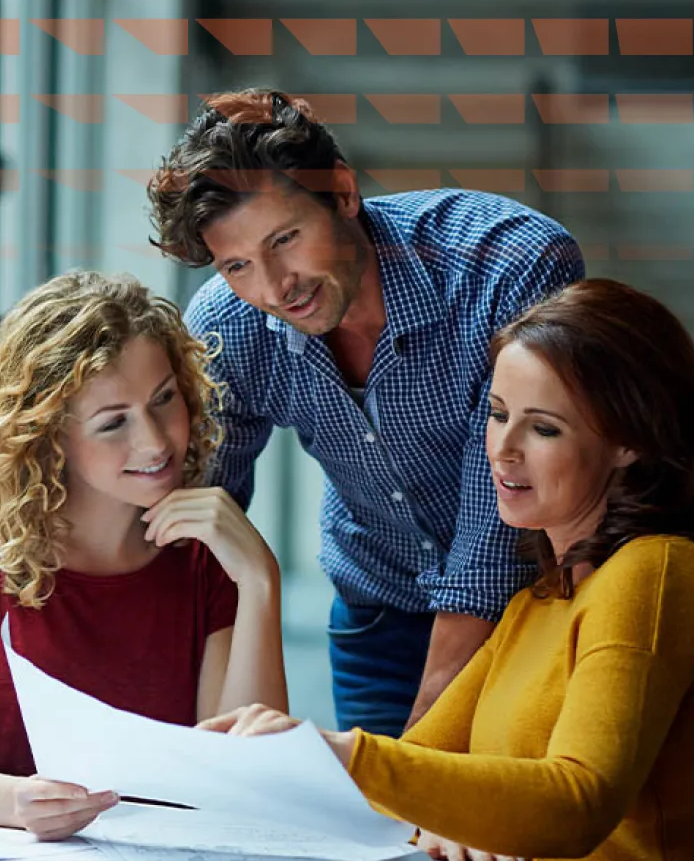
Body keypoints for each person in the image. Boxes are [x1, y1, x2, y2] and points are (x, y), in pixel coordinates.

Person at [199, 278, 694, 861]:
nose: (502, 448)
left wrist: (336, 752)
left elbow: (578, 804)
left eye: (544, 428)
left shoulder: (653, 569)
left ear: (629, 442)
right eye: (498, 413)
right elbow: (415, 775)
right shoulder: (533, 602)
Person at [146, 87, 585, 736]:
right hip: (378, 611)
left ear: (344, 192)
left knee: (510, 825)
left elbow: (497, 528)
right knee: (380, 834)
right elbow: (195, 513)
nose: (273, 287)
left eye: (286, 239)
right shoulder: (228, 324)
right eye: (237, 264)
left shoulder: (504, 265)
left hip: (538, 608)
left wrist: (415, 747)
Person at [0, 271, 287, 840]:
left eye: (163, 400)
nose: (155, 441)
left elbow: (252, 785)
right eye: (114, 422)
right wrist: (15, 802)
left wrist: (258, 579)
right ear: (49, 435)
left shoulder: (207, 559)